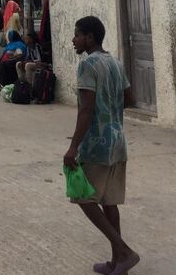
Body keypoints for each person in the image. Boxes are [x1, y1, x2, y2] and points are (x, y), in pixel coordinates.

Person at [64, 16, 139, 275]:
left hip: (96, 144)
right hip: (118, 141)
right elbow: (130, 98)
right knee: (109, 202)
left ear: (90, 37)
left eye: (77, 34)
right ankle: (119, 263)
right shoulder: (115, 62)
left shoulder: (88, 64)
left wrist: (73, 147)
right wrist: (111, 110)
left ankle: (125, 251)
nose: (73, 39)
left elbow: (86, 109)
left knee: (83, 197)